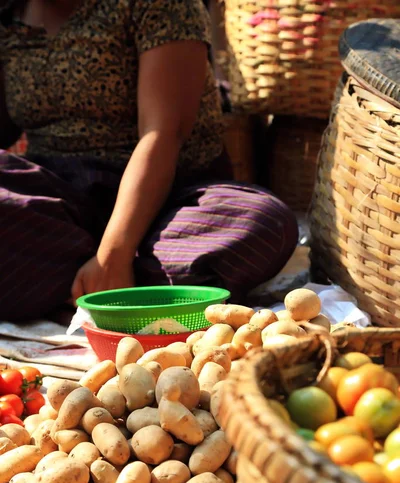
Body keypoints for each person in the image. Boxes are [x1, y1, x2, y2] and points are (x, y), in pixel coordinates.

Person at [0, 0, 298, 322]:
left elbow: (162, 134)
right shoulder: (9, 16)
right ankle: (126, 287)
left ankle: (85, 280)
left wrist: (114, 253)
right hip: (59, 204)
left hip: (166, 206)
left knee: (265, 223)